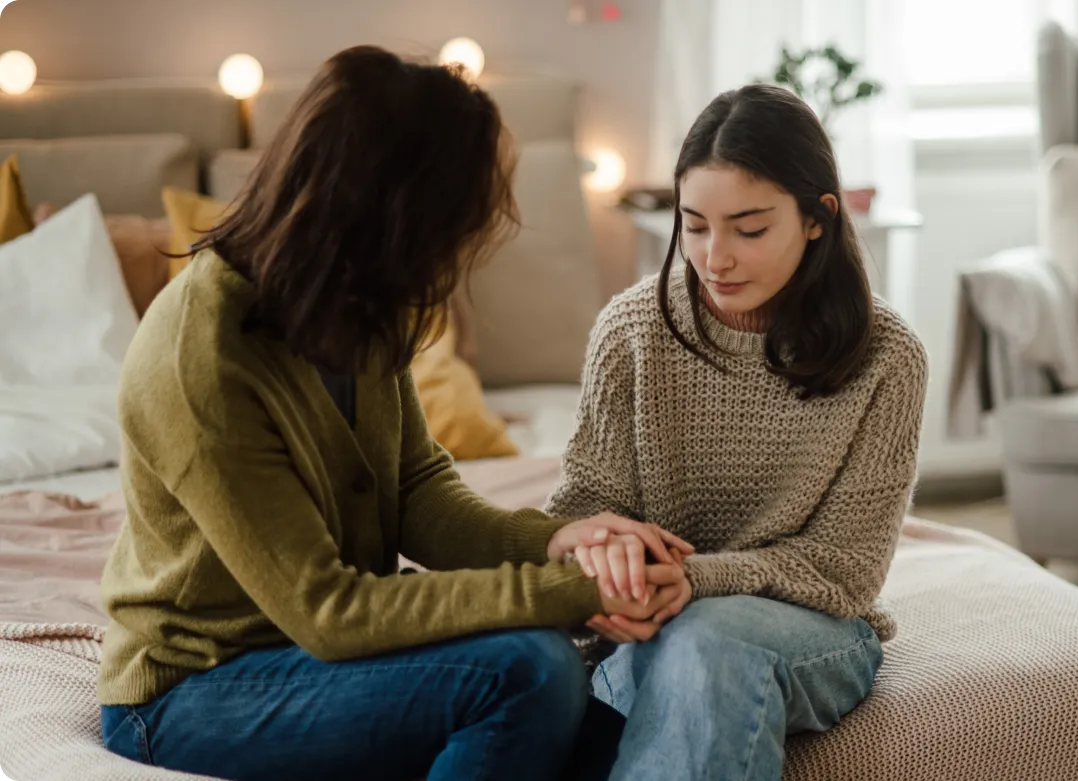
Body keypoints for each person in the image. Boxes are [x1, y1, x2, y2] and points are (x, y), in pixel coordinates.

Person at [96, 46, 693, 781]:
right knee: (528, 671)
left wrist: (561, 541)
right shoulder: (202, 355)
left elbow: (419, 496)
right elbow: (329, 609)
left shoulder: (355, 307)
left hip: (322, 659)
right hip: (195, 686)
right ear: (391, 216)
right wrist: (568, 592)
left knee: (634, 739)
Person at [545, 83, 929, 780]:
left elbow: (843, 571)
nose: (715, 256)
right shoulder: (631, 332)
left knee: (710, 640)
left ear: (818, 219)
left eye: (748, 229)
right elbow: (582, 509)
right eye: (694, 226)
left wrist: (695, 579)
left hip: (812, 627)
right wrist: (614, 566)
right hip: (653, 618)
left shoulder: (888, 357)